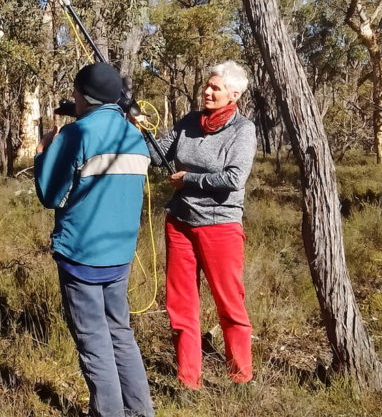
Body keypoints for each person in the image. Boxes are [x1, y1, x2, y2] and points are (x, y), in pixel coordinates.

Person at [34, 62, 156, 417]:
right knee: (120, 333)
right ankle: (140, 411)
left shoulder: (77, 134)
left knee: (94, 343)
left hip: (82, 255)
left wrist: (43, 154)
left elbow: (50, 195)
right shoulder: (133, 134)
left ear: (82, 96)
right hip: (119, 257)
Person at [155, 60, 256, 390]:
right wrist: (132, 128)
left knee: (229, 303)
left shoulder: (243, 130)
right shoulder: (189, 122)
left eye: (215, 87)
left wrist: (190, 179)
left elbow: (233, 178)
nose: (207, 91)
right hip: (179, 222)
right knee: (180, 304)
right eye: (207, 86)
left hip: (220, 226)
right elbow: (157, 154)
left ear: (234, 94)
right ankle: (188, 381)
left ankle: (241, 377)